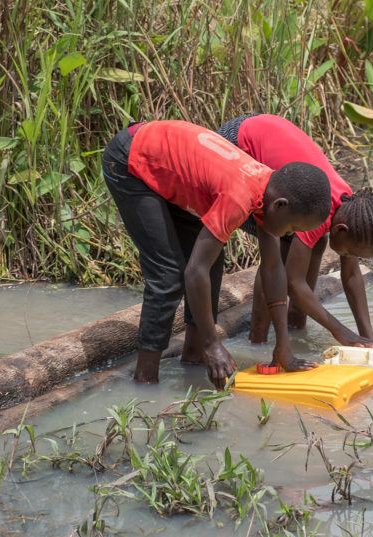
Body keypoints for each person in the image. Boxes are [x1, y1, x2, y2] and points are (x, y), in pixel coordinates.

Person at [102, 120, 332, 388]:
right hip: (132, 158)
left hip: (172, 167)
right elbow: (193, 271)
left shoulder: (269, 191)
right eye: (292, 227)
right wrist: (214, 343)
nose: (289, 235)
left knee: (212, 266)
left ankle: (193, 356)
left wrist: (283, 345)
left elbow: (273, 270)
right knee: (168, 277)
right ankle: (145, 380)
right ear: (281, 206)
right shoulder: (241, 195)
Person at [215, 113, 373, 348]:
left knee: (314, 245)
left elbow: (351, 275)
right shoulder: (320, 213)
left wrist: (368, 337)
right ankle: (257, 341)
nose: (349, 258)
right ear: (340, 229)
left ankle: (296, 324)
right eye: (350, 252)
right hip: (237, 144)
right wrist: (340, 331)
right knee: (276, 255)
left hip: (264, 133)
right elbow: (292, 282)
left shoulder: (350, 207)